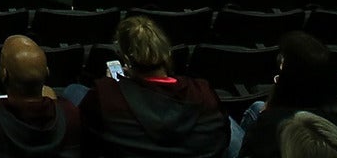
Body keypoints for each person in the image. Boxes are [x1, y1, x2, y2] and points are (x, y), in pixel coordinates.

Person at [75, 15, 232, 157]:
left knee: (74, 90)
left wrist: (111, 88)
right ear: (167, 52)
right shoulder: (204, 92)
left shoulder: (105, 95)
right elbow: (223, 137)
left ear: (126, 59)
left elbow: (85, 139)